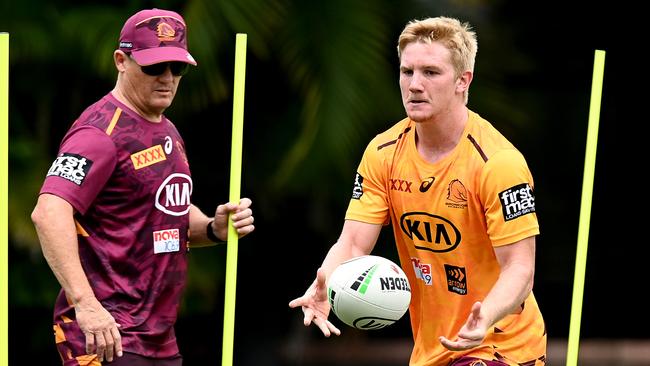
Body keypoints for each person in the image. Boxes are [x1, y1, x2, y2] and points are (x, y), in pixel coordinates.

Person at [289, 16, 546, 366]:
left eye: (430, 72)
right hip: (433, 348)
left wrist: (484, 317)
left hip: (501, 344)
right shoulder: (383, 153)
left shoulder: (498, 163)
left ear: (462, 80)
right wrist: (326, 284)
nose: (414, 85)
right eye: (407, 71)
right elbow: (352, 242)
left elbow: (520, 268)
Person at [31, 8, 255, 365]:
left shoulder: (167, 129)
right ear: (122, 60)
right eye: (154, 67)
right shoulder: (99, 134)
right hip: (105, 336)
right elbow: (48, 212)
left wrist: (213, 228)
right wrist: (86, 305)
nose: (167, 78)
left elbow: (167, 215)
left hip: (158, 340)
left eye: (176, 68)